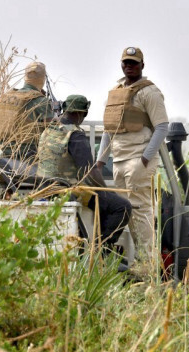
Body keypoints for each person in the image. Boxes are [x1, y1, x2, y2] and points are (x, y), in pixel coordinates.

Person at [37, 95, 132, 270]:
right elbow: (90, 170)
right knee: (121, 206)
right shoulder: (75, 136)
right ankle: (100, 252)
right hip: (67, 192)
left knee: (103, 203)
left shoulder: (47, 131)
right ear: (83, 113)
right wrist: (106, 191)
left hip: (44, 191)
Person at [96, 46, 169, 273]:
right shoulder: (116, 92)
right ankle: (129, 264)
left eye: (134, 63)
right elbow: (109, 129)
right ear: (121, 64)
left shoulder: (150, 92)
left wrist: (145, 159)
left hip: (137, 158)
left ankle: (147, 266)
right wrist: (100, 161)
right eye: (126, 62)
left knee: (140, 212)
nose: (129, 66)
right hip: (118, 161)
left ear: (142, 66)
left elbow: (162, 126)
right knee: (124, 213)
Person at [0, 61, 55, 165]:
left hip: (4, 157)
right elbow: (51, 132)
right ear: (42, 79)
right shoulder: (41, 101)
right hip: (28, 161)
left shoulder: (6, 98)